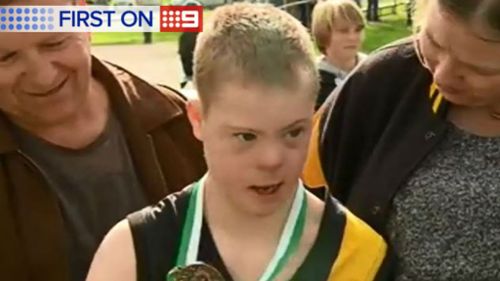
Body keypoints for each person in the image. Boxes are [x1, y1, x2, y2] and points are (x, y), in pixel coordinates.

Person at [86, 3, 392, 281]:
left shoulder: (361, 256)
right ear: (197, 120)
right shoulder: (132, 254)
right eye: (246, 136)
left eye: (293, 132)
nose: (272, 159)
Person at [0, 0, 207, 281]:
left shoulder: (177, 121)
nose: (42, 77)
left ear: (87, 27)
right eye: (6, 58)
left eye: (55, 43)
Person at [303, 0, 500, 279]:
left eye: (479, 70)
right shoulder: (381, 82)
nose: (442, 75)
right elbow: (296, 194)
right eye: (433, 42)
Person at [311, 0, 366, 110]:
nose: (353, 37)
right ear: (323, 33)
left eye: (358, 30)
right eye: (344, 31)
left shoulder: (375, 70)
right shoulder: (312, 83)